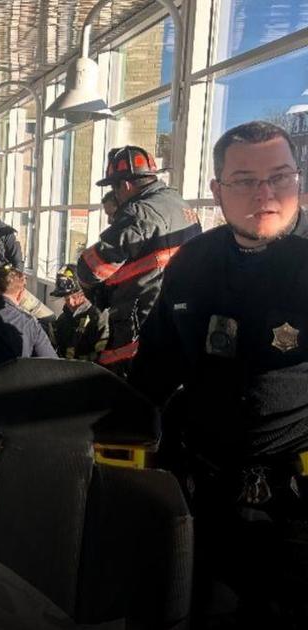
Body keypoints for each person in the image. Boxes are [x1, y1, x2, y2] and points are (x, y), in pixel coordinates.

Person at [130, 121, 308, 626]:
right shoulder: (192, 264)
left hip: (295, 501)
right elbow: (156, 367)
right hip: (203, 486)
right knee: (192, 608)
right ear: (217, 190)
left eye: (280, 176)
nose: (265, 194)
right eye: (245, 180)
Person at [76, 145, 201, 376]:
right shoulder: (182, 205)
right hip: (176, 318)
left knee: (128, 392)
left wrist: (92, 287)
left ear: (125, 185)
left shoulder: (138, 213)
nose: (116, 196)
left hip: (139, 323)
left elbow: (92, 268)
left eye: (115, 189)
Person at [50, 264, 108, 361]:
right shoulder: (63, 320)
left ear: (85, 292)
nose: (70, 303)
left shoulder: (99, 318)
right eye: (66, 298)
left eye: (75, 296)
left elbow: (103, 359)